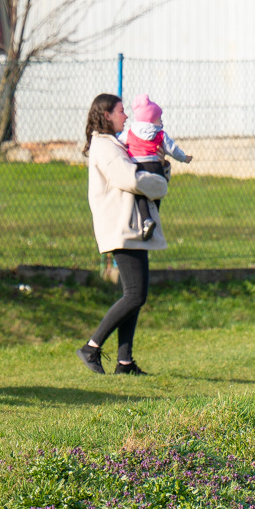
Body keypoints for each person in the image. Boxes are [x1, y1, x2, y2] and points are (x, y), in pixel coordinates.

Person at [76, 93, 169, 376]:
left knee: (135, 295)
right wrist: (161, 181)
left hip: (130, 227)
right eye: (120, 111)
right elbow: (129, 178)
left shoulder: (113, 144)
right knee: (134, 295)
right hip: (121, 227)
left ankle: (124, 362)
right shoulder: (104, 146)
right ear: (106, 115)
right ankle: (91, 347)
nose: (126, 116)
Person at [118, 93, 193, 241]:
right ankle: (154, 215)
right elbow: (173, 150)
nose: (161, 121)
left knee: (139, 192)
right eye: (159, 118)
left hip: (139, 167)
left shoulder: (130, 132)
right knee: (156, 192)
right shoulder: (160, 134)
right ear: (152, 119)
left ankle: (146, 219)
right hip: (155, 167)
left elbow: (119, 143)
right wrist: (184, 158)